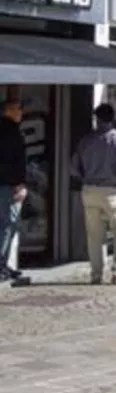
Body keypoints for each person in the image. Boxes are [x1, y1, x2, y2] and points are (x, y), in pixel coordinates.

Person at [71, 103, 116, 286]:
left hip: (89, 190)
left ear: (96, 118)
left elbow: (73, 166)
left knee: (94, 235)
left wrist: (84, 177)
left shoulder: (86, 140)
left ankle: (96, 274)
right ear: (113, 118)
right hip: (112, 191)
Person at [0, 99, 29, 284]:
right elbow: (16, 161)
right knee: (8, 225)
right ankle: (1, 265)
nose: (22, 113)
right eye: (19, 109)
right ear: (9, 111)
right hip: (8, 185)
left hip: (6, 183)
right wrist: (20, 184)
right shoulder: (11, 132)